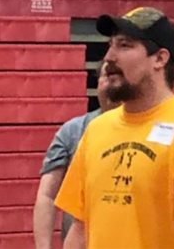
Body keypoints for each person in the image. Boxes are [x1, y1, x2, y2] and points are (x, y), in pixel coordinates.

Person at [55, 6, 174, 249]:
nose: (110, 57)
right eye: (111, 45)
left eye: (125, 45)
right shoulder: (96, 131)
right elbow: (80, 228)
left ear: (159, 58)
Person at [33, 60, 119, 249]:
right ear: (97, 83)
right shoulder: (73, 130)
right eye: (106, 76)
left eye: (117, 77)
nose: (111, 83)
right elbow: (47, 195)